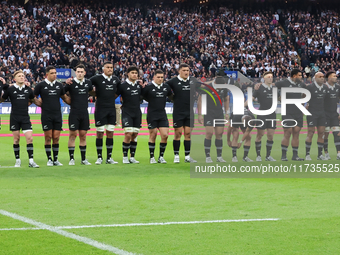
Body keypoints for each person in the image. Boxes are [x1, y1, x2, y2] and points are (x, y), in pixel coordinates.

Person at [1, 70, 39, 167]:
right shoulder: (10, 89)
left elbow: (32, 100)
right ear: (15, 79)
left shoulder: (28, 89)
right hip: (14, 117)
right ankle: (18, 160)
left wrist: (44, 106)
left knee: (30, 138)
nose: (22, 77)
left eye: (23, 76)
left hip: (25, 117)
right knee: (16, 139)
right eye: (20, 76)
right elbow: (2, 99)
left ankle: (31, 161)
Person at [34, 66, 70, 166]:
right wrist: (41, 104)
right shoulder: (40, 85)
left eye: (55, 73)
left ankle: (56, 159)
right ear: (47, 74)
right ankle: (49, 159)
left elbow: (65, 97)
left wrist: (76, 102)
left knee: (56, 138)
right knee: (48, 137)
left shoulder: (59, 85)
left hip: (57, 114)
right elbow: (33, 97)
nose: (55, 75)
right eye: (52, 73)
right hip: (46, 115)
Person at [166, 63, 200, 163]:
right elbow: (165, 89)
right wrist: (172, 97)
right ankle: (176, 155)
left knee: (188, 134)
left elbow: (202, 87)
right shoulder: (173, 81)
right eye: (184, 70)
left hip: (189, 111)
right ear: (179, 71)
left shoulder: (193, 80)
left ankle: (187, 156)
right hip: (178, 112)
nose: (186, 72)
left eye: (187, 71)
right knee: (178, 133)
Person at [90, 61, 120, 165]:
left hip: (111, 110)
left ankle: (109, 157)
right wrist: (94, 94)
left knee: (110, 133)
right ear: (103, 68)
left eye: (111, 67)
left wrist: (111, 97)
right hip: (100, 109)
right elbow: (87, 84)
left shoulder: (116, 80)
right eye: (108, 67)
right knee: (99, 133)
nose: (110, 69)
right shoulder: (97, 78)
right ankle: (99, 157)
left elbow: (118, 91)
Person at [142, 69, 173, 164]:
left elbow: (172, 97)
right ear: (154, 77)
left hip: (162, 114)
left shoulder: (166, 87)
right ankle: (152, 157)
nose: (160, 79)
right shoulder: (148, 87)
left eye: (162, 77)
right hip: (152, 114)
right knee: (153, 135)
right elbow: (141, 96)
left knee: (165, 135)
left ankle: (161, 157)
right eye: (158, 77)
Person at [64, 64, 93, 165]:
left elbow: (92, 91)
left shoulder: (88, 83)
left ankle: (83, 159)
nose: (80, 73)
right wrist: (67, 101)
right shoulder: (70, 83)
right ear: (75, 73)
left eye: (82, 72)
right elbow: (62, 93)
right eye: (78, 72)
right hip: (74, 112)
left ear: (84, 73)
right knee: (72, 135)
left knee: (83, 136)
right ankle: (71, 159)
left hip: (84, 112)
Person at [116, 66, 145, 164]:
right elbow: (114, 95)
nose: (134, 75)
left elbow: (143, 96)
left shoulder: (139, 86)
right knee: (128, 134)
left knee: (135, 135)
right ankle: (125, 157)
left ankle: (132, 157)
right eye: (132, 73)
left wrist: (143, 87)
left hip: (137, 112)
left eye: (136, 73)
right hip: (126, 112)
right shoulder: (122, 86)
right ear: (128, 74)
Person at [197, 76, 229, 163]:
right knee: (209, 134)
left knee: (219, 134)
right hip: (208, 112)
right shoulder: (207, 88)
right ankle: (208, 157)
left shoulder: (224, 89)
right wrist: (200, 114)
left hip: (219, 113)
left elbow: (226, 99)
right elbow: (200, 101)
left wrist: (227, 112)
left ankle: (219, 157)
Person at [275, 69, 305, 161]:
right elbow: (272, 87)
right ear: (294, 76)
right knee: (287, 132)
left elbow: (304, 95)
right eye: (299, 75)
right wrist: (278, 97)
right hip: (287, 111)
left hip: (298, 112)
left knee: (296, 133)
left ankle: (295, 156)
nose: (301, 77)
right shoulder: (284, 83)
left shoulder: (302, 85)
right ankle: (284, 156)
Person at [253, 71, 276, 162]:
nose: (271, 78)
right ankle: (258, 156)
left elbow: (280, 98)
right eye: (269, 76)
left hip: (272, 114)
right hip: (262, 114)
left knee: (270, 136)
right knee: (260, 135)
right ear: (264, 78)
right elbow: (252, 98)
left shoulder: (274, 88)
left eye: (272, 76)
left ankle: (268, 156)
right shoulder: (259, 88)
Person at [305, 72, 328, 160]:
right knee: (310, 132)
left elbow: (327, 101)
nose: (322, 78)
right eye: (320, 77)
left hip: (322, 113)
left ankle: (319, 155)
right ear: (315, 78)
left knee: (321, 133)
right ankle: (307, 154)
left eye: (323, 77)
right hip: (312, 113)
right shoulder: (310, 87)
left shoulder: (325, 87)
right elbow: (303, 97)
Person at [323, 71, 340, 160]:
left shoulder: (338, 87)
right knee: (325, 135)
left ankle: (339, 153)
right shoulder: (324, 87)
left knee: (337, 134)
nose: (336, 77)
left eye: (336, 76)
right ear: (329, 78)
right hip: (325, 115)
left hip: (334, 114)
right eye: (334, 76)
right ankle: (326, 153)